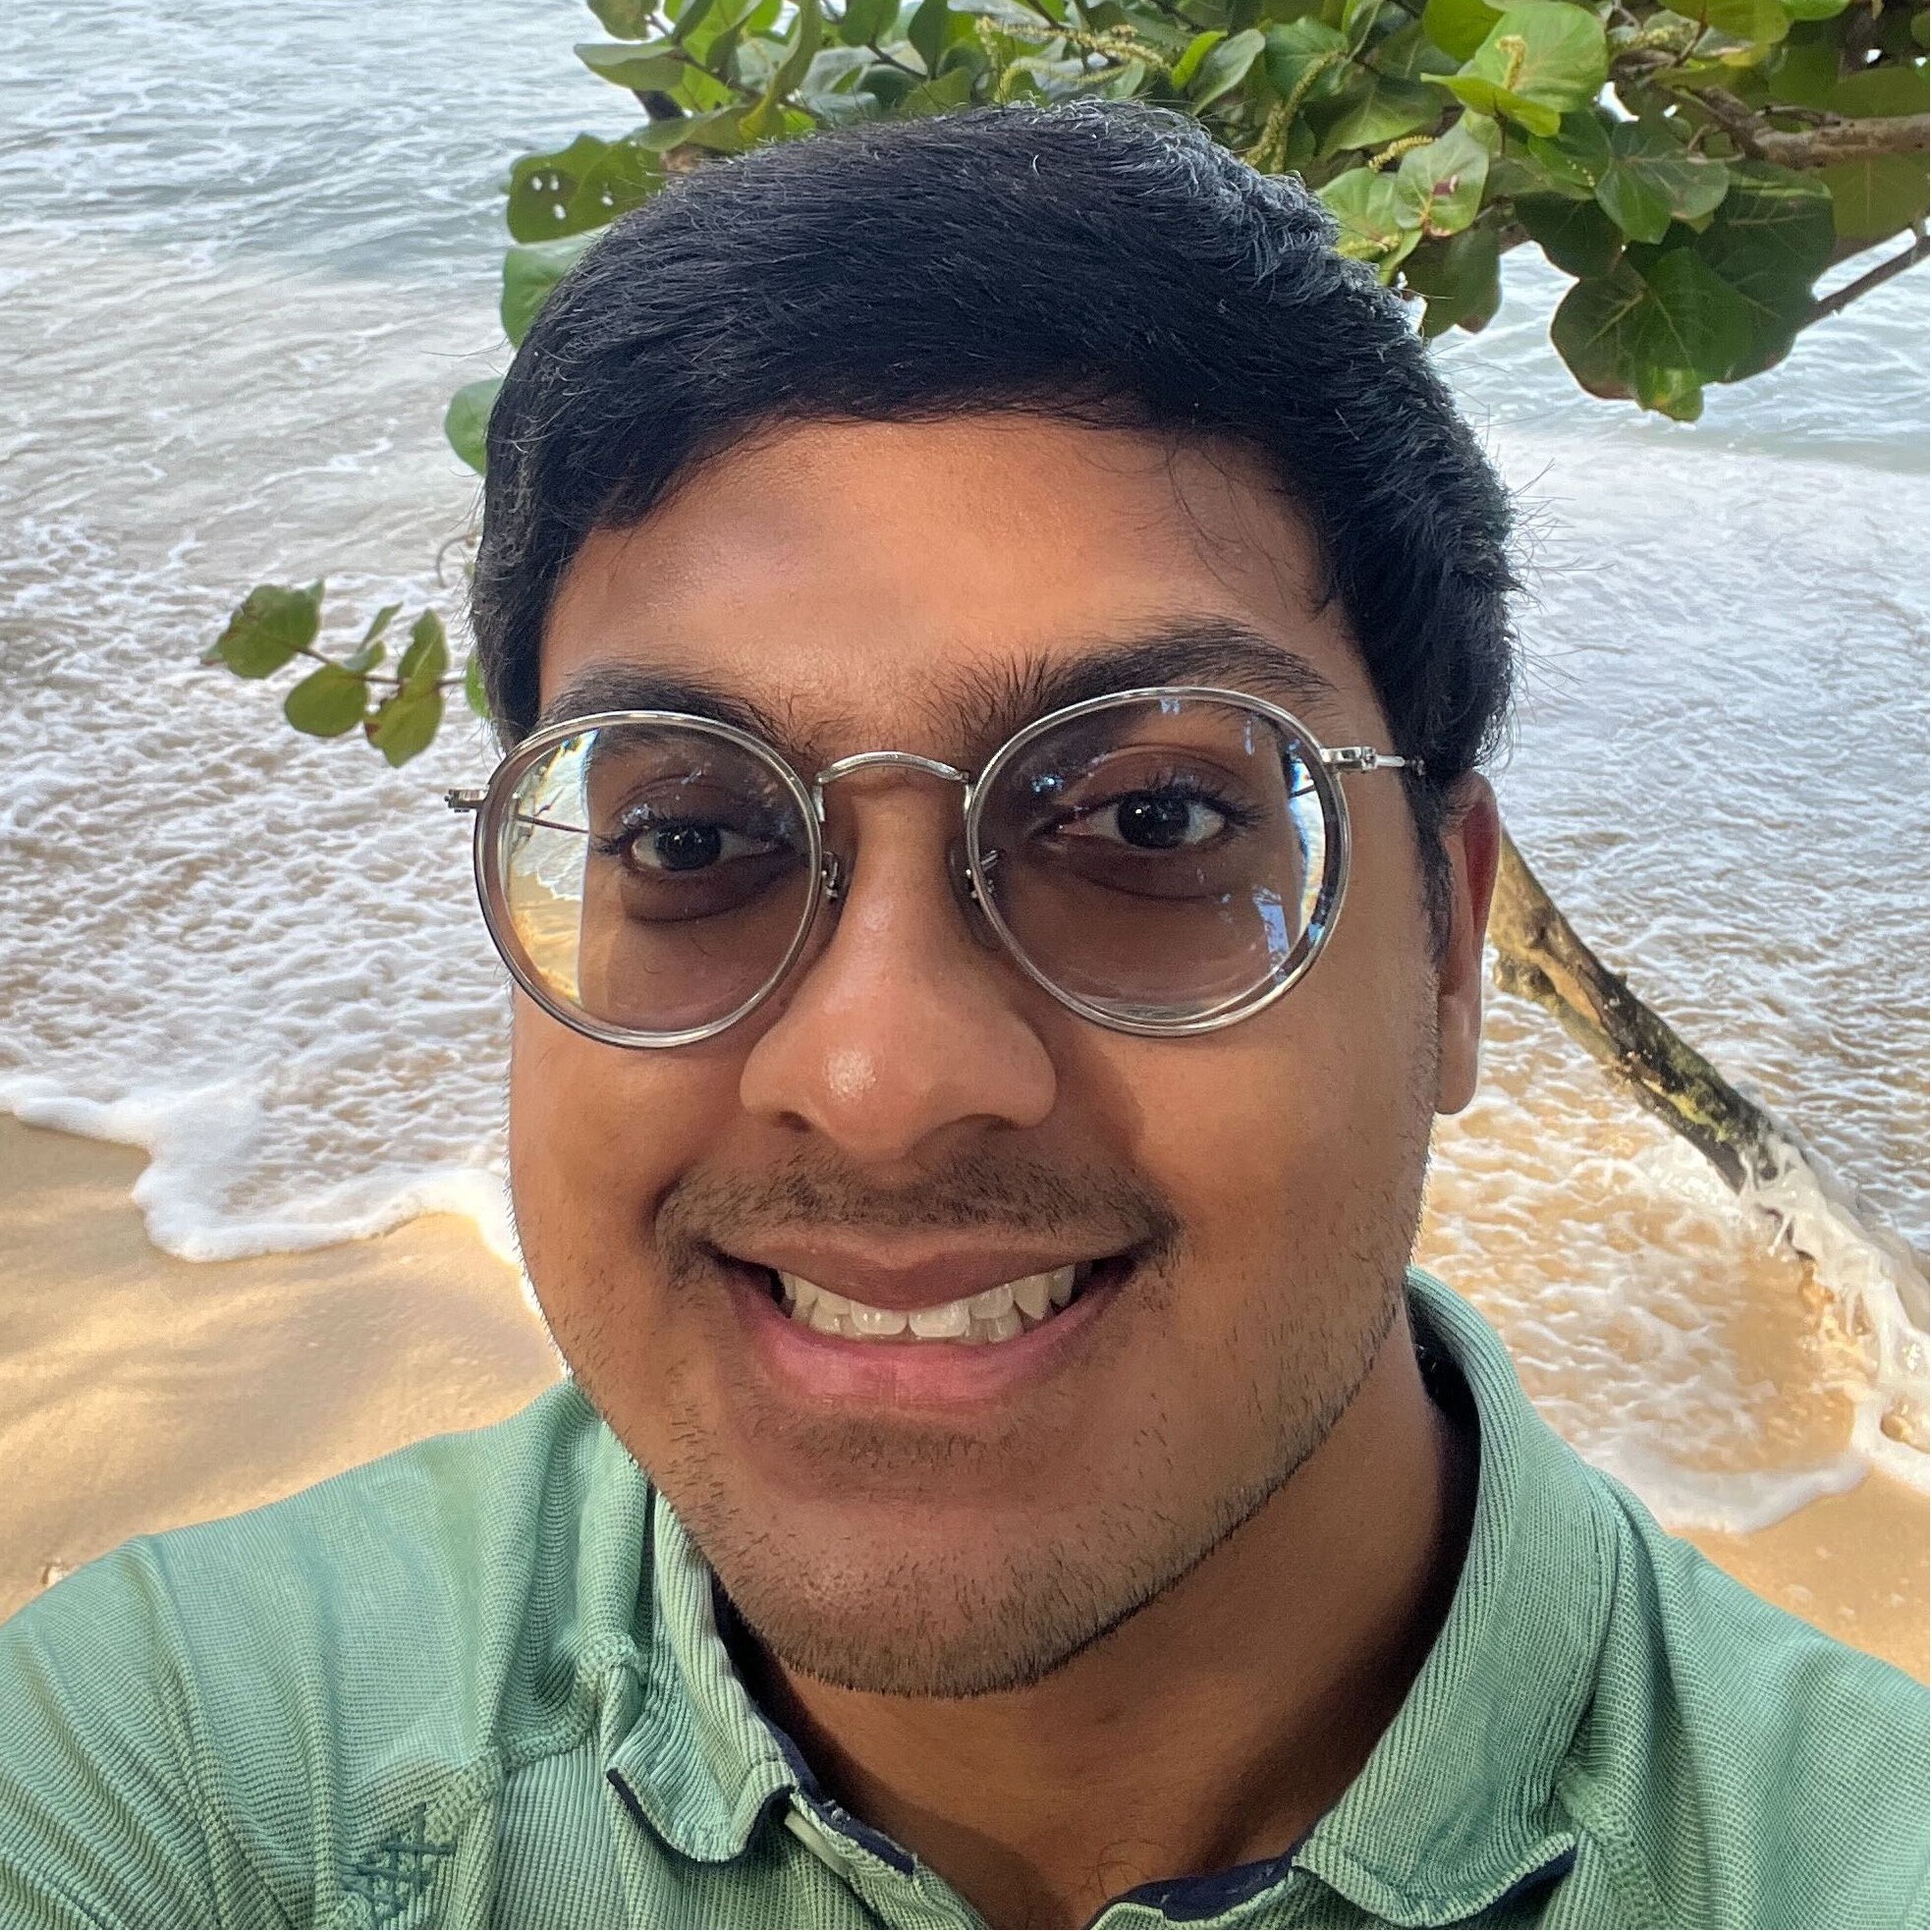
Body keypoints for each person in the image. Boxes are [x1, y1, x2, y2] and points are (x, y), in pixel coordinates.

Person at [1, 101, 1923, 1931]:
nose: (880, 1076)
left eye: (1151, 822)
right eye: (693, 837)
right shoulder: (182, 1761)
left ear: (1448, 949)